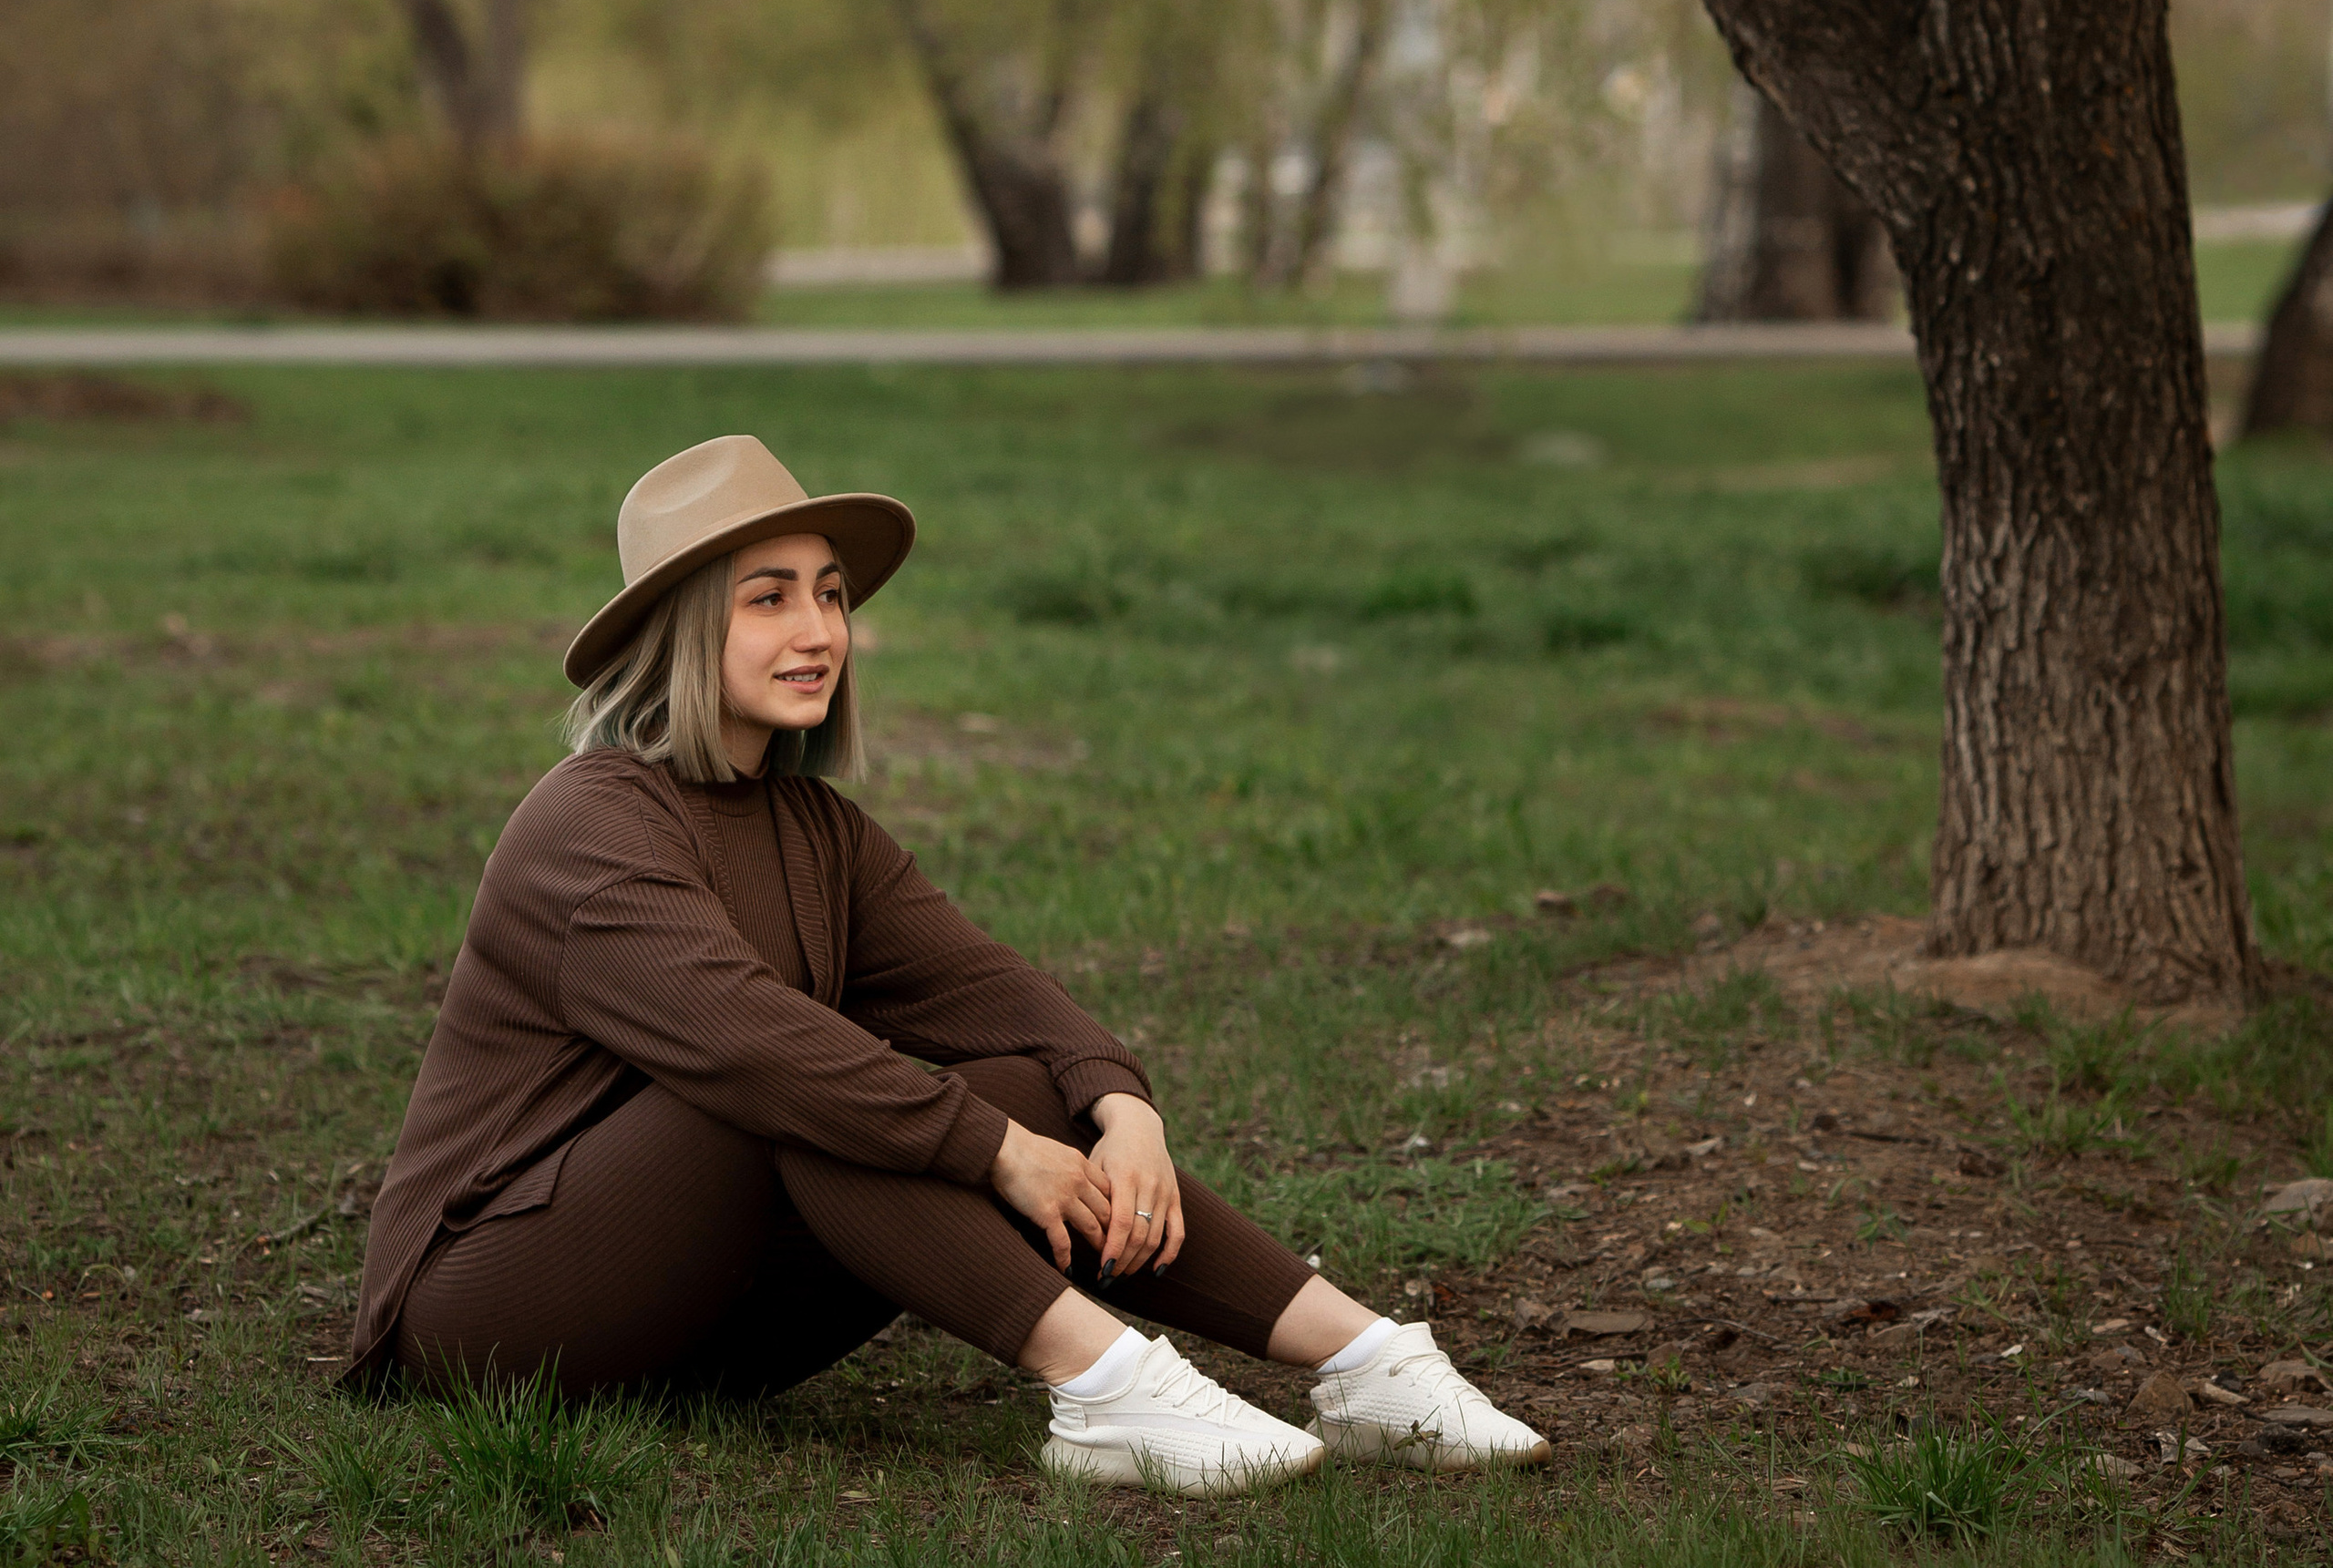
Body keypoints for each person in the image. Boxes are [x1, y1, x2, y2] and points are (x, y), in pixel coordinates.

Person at [351, 434, 1547, 1491]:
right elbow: (751, 1045)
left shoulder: (816, 830)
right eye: (769, 599)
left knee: (1018, 1087)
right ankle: (1108, 1389)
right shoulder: (587, 826)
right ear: (679, 628)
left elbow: (998, 992)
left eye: (828, 595)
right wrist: (993, 1153)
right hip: (489, 1310)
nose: (820, 630)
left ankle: (1364, 1362)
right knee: (809, 1091)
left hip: (693, 1329)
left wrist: (1117, 1104)